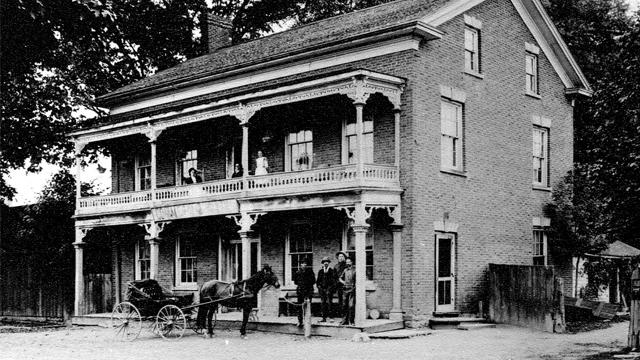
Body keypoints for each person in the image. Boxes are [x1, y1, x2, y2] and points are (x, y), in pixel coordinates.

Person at [293, 257, 316, 327]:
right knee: (299, 307)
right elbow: (295, 282)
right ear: (300, 265)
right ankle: (300, 321)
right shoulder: (297, 272)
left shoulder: (310, 272)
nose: (304, 265)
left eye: (305, 263)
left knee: (308, 307)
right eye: (303, 263)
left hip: (308, 292)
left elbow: (313, 281)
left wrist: (309, 289)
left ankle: (307, 322)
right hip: (300, 292)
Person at [316, 256, 336, 322]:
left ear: (329, 263)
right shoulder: (320, 271)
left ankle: (331, 317)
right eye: (324, 262)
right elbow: (318, 282)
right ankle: (323, 317)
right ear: (323, 263)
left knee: (330, 303)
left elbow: (333, 282)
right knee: (323, 303)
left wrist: (329, 289)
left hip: (329, 290)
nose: (325, 263)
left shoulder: (331, 271)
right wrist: (320, 288)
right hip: (322, 290)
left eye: (327, 262)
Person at [339, 257, 356, 326]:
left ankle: (351, 321)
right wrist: (343, 282)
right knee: (344, 305)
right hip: (345, 290)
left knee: (351, 306)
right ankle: (344, 320)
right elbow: (340, 278)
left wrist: (354, 286)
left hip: (352, 290)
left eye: (349, 262)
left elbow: (357, 280)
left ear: (351, 262)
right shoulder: (345, 270)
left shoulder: (355, 270)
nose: (347, 263)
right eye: (347, 262)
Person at [333, 251, 348, 318]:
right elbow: (334, 277)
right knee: (340, 301)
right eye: (339, 256)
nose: (341, 258)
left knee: (346, 301)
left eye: (342, 256)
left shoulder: (347, 266)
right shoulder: (336, 266)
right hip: (339, 286)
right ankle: (342, 316)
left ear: (344, 258)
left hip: (346, 286)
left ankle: (346, 316)